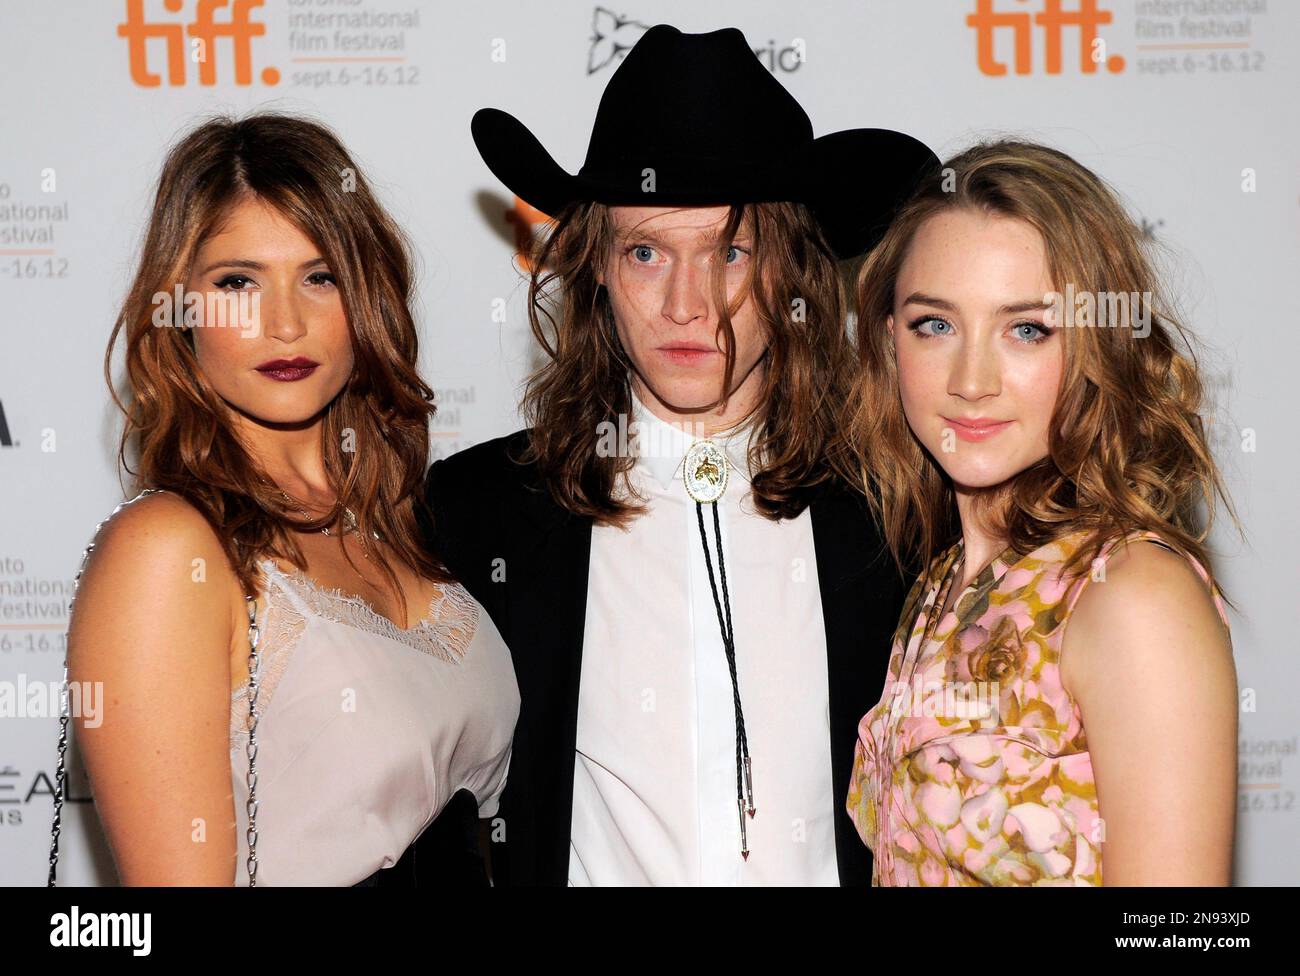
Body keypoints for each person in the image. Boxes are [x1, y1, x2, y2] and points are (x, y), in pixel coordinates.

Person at [424, 24, 938, 885]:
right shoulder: (479, 511)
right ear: (595, 268)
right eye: (646, 251)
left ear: (792, 273)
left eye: (730, 250)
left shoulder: (900, 507)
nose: (687, 305)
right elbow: (434, 819)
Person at [57, 112, 518, 886]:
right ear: (181, 310)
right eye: (237, 282)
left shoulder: (403, 524)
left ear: (364, 297)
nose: (284, 323)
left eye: (320, 276)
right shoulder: (167, 552)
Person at [841, 138, 1239, 885]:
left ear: (1098, 344)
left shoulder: (1131, 598)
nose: (972, 380)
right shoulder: (935, 590)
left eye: (1027, 329)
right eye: (936, 324)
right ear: (889, 340)